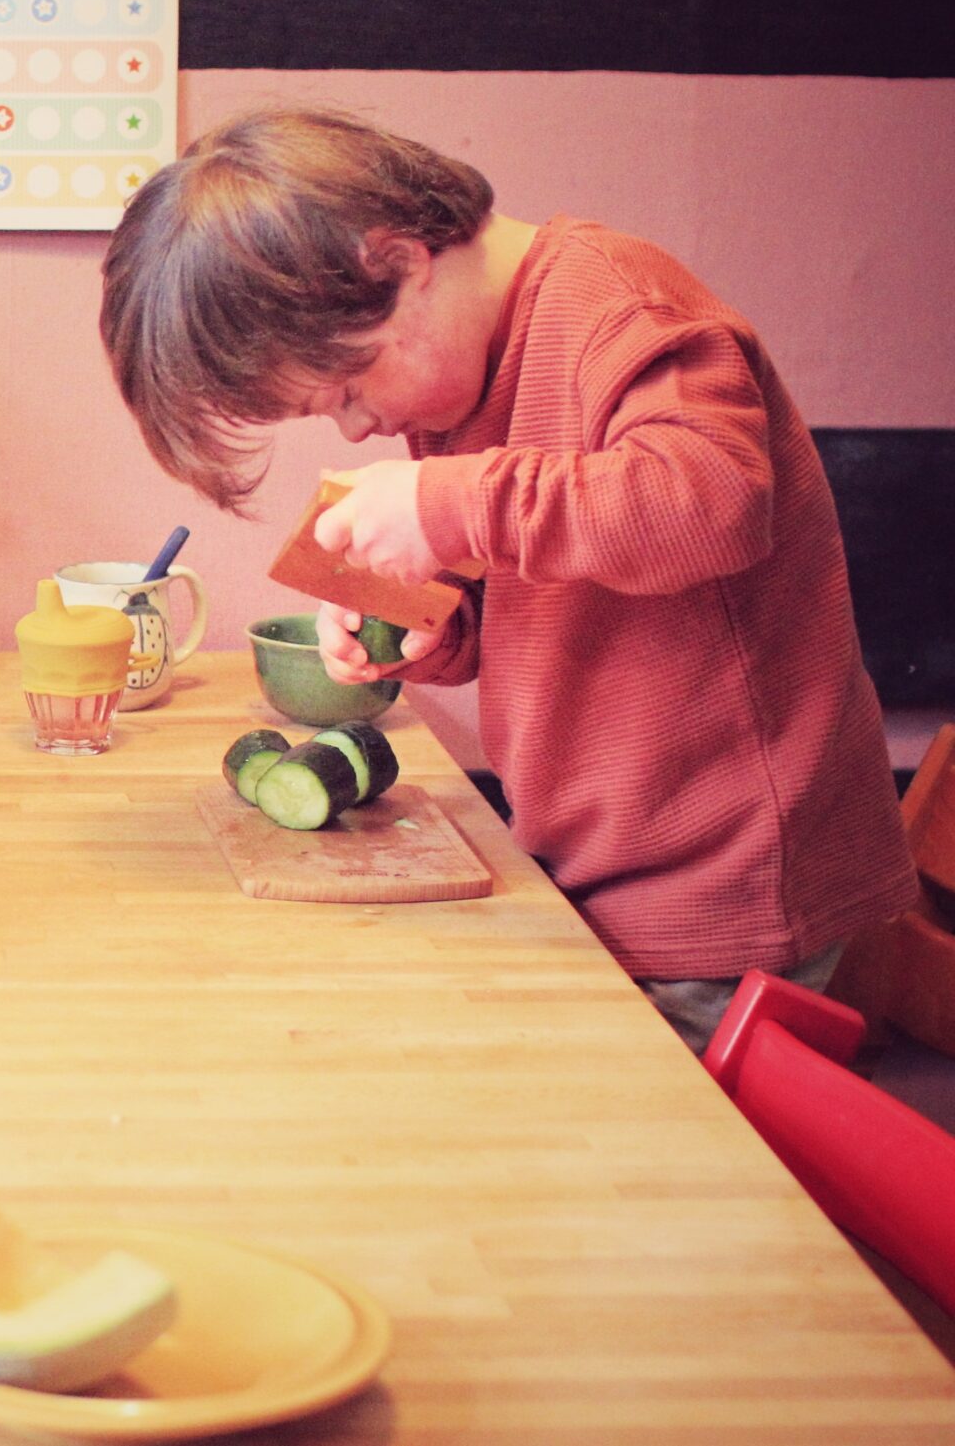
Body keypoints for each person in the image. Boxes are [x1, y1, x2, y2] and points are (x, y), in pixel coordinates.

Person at [100, 107, 918, 1051]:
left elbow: (713, 500)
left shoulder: (621, 304)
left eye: (350, 389)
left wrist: (446, 504)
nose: (359, 428)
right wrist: (429, 621)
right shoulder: (460, 378)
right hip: (596, 865)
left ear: (401, 265)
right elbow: (549, 575)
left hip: (727, 891)